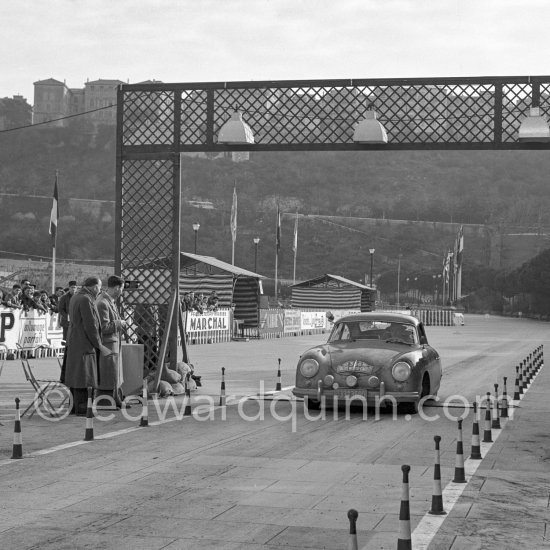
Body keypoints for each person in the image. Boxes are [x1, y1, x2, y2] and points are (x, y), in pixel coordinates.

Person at [64, 277, 112, 415]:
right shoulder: (86, 299)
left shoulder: (76, 297)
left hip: (74, 342)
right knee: (84, 378)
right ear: (93, 287)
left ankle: (74, 407)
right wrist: (99, 345)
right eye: (99, 287)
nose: (100, 290)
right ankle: (83, 408)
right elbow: (91, 326)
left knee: (75, 377)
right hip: (84, 344)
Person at [96, 275, 128, 408]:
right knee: (109, 375)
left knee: (114, 374)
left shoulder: (109, 301)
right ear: (116, 288)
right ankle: (107, 401)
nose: (122, 292)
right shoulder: (103, 303)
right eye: (122, 289)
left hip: (112, 344)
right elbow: (104, 327)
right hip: (108, 345)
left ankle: (116, 398)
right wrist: (119, 323)